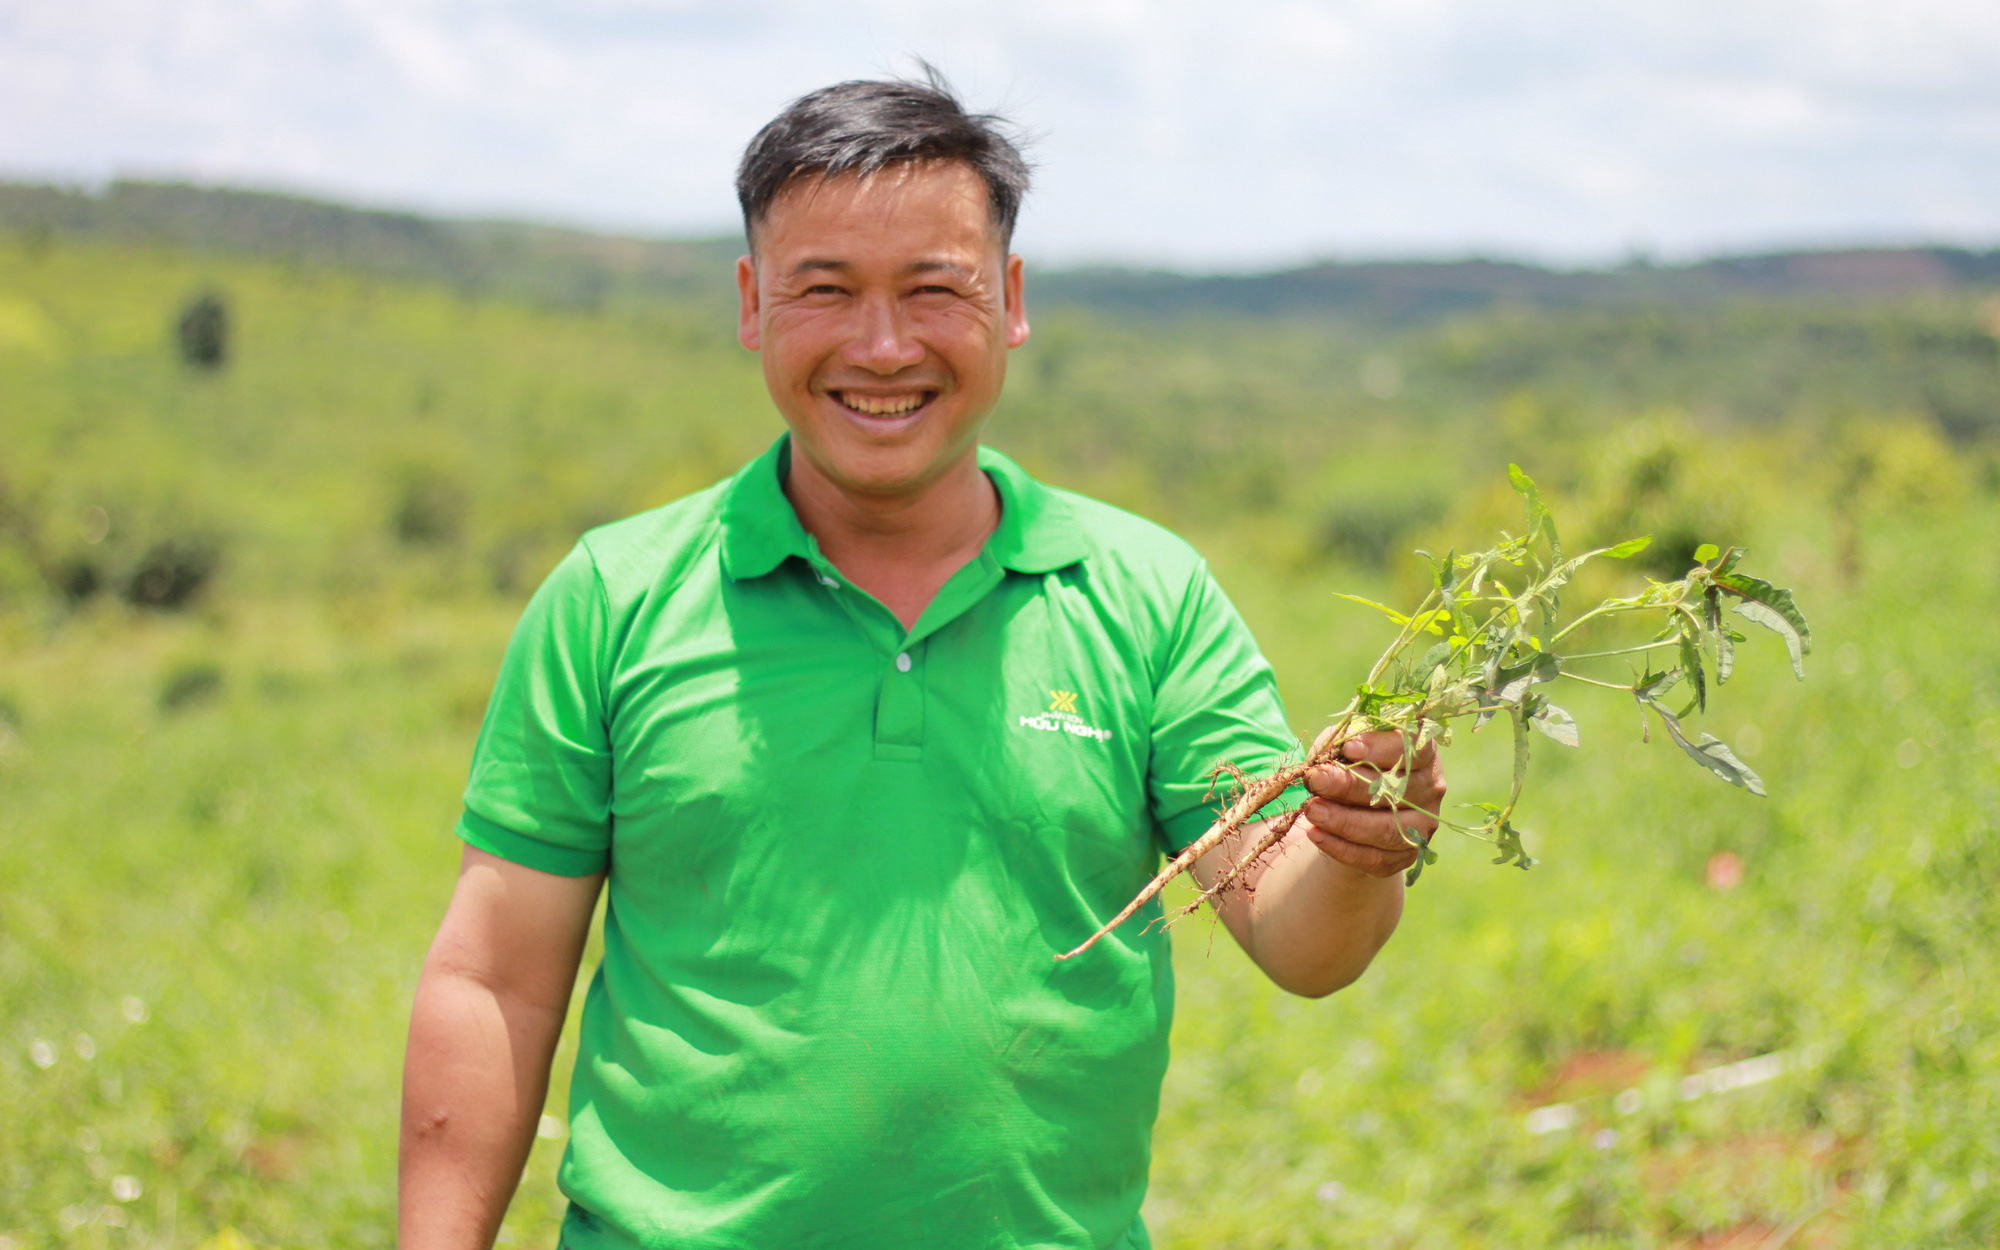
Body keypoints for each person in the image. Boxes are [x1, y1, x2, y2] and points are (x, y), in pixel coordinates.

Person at [398, 71, 1446, 1250]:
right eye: (825, 290)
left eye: (933, 289)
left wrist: (1359, 851)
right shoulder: (615, 597)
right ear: (752, 304)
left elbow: (1300, 939)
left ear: (1008, 300)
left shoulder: (1145, 594)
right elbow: (494, 979)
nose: (882, 346)